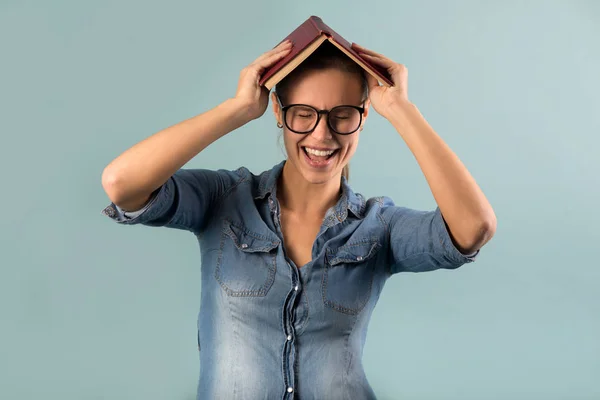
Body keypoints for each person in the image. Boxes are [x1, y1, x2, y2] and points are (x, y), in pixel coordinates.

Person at [101, 38, 496, 400]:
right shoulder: (221, 200)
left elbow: (473, 227)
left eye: (342, 115)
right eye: (303, 114)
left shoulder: (379, 226)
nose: (322, 135)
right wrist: (236, 110)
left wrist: (402, 110)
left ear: (364, 115)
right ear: (278, 111)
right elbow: (122, 183)